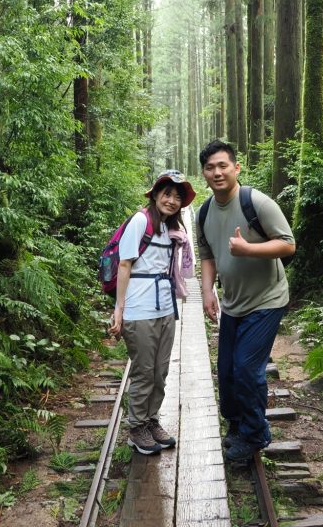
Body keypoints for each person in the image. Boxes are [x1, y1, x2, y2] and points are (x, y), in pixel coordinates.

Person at [197, 140, 295, 463]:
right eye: (210, 168)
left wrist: (248, 249)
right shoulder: (205, 212)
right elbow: (208, 254)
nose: (217, 172)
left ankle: (255, 434)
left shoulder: (256, 202)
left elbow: (288, 244)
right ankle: (237, 424)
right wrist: (207, 291)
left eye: (223, 165)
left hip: (267, 299)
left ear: (236, 168)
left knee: (246, 369)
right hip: (233, 303)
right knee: (225, 370)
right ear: (204, 174)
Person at [109, 169, 196, 455]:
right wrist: (119, 310)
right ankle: (136, 428)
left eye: (177, 197)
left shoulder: (173, 231)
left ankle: (151, 420)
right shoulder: (140, 221)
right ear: (156, 195)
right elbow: (125, 265)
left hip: (165, 309)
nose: (171, 200)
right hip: (138, 309)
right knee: (144, 371)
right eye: (167, 194)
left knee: (161, 370)